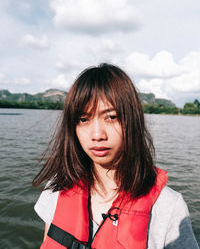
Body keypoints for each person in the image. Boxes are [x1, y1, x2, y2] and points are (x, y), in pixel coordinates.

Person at [33, 63, 199, 249]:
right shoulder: (56, 188)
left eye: (111, 117)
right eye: (83, 119)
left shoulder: (168, 208)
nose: (97, 135)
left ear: (131, 121)